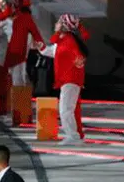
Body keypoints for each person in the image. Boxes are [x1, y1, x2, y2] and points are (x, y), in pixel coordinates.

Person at [38, 14, 89, 144]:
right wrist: (41, 47)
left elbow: (78, 57)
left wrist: (79, 62)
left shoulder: (69, 41)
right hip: (68, 80)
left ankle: (73, 136)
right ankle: (75, 135)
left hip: (70, 80)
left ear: (64, 26)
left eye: (59, 22)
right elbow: (51, 51)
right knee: (69, 109)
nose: (56, 24)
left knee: (65, 109)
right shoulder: (64, 40)